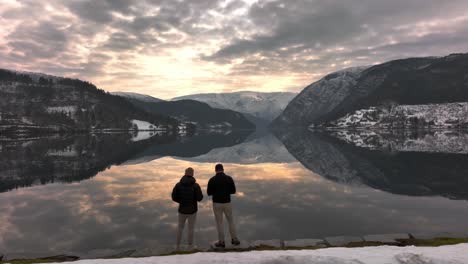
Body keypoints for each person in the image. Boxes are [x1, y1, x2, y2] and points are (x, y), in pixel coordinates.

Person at [207, 163, 240, 248]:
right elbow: (233, 191)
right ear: (223, 169)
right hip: (227, 202)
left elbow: (209, 193)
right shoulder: (229, 178)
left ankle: (221, 242)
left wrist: (216, 191)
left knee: (219, 223)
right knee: (231, 221)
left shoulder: (212, 180)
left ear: (215, 170)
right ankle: (234, 239)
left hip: (217, 203)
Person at [171, 167, 203, 250]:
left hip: (182, 210)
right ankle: (190, 246)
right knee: (191, 229)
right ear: (192, 174)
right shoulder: (196, 186)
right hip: (192, 211)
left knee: (180, 228)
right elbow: (200, 198)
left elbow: (173, 197)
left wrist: (181, 201)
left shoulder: (178, 185)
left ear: (185, 173)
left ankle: (177, 246)